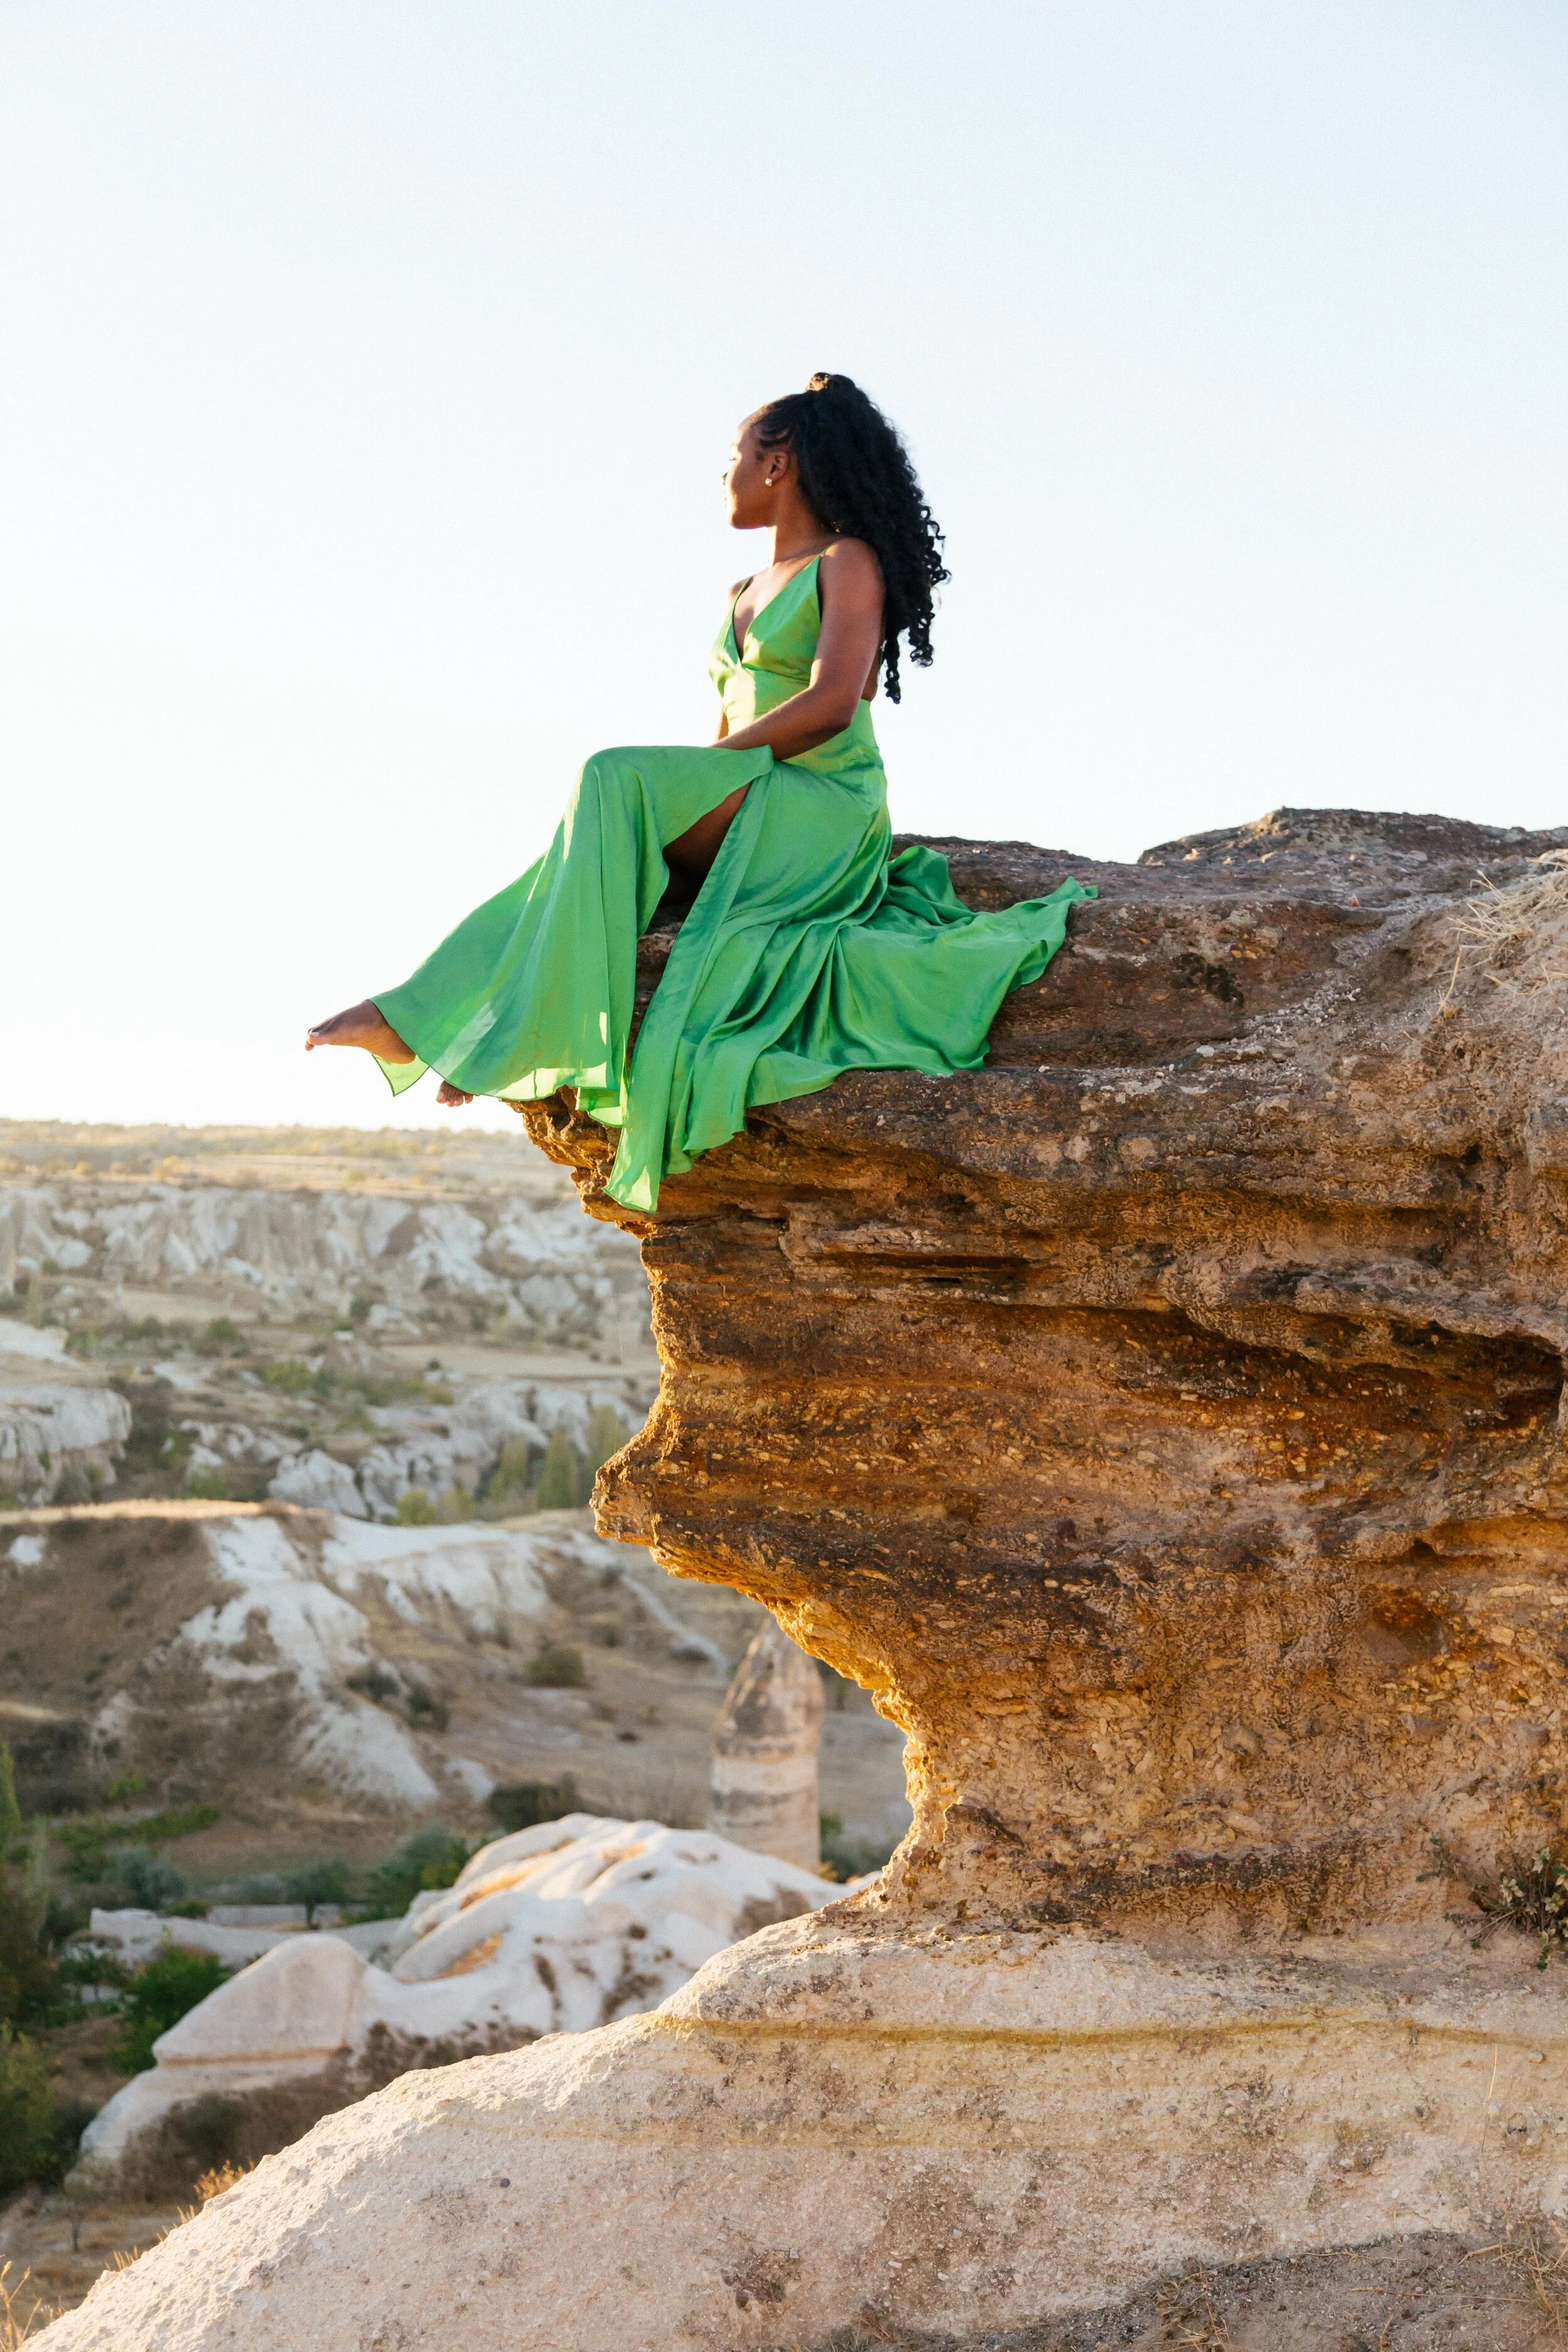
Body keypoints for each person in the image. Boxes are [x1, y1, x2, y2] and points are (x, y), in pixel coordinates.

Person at [307, 373, 1093, 1212]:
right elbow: (722, 723)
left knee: (611, 778)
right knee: (588, 849)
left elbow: (832, 704)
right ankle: (471, 1032)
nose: (725, 473)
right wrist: (704, 776)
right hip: (754, 791)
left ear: (779, 464)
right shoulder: (738, 594)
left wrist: (709, 770)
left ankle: (451, 1029)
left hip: (824, 803)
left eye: (735, 456)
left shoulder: (846, 562)